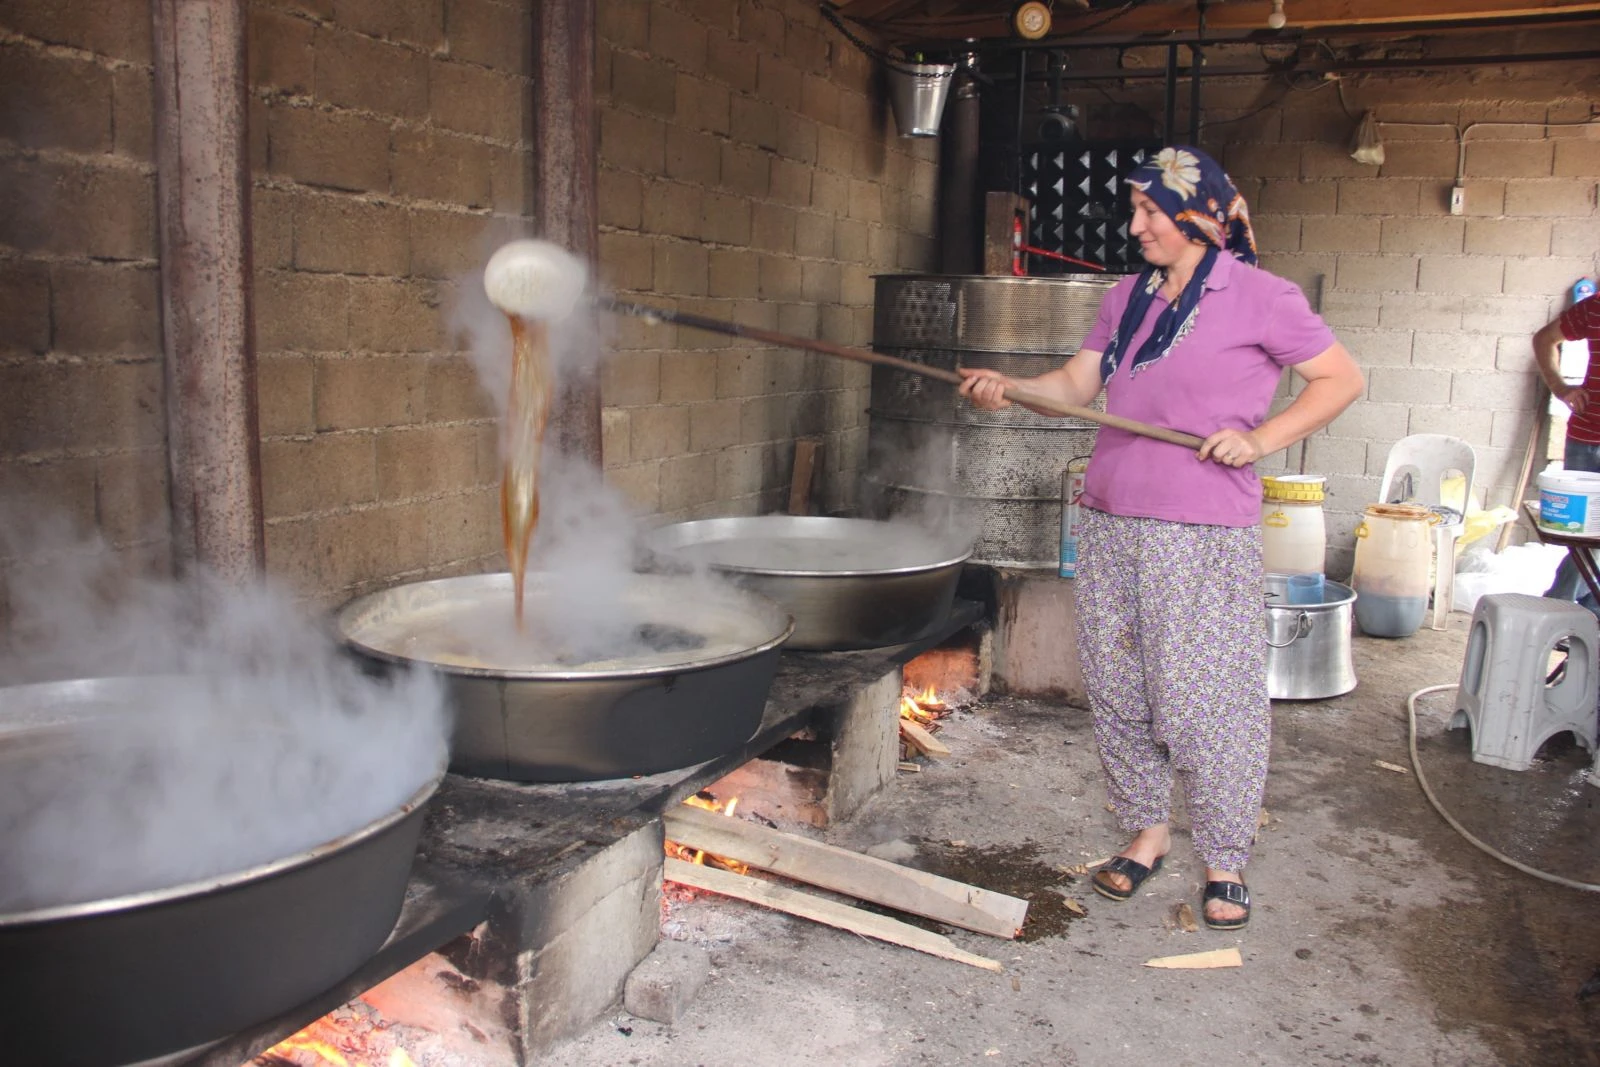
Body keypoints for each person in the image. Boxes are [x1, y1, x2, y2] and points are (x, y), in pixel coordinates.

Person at [958, 146, 1364, 930]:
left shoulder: (1262, 298)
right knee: (1119, 683)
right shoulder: (1128, 297)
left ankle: (1224, 858)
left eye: (1149, 211)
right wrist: (1011, 390)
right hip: (1110, 517)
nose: (1134, 224)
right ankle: (1145, 834)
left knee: (1205, 694)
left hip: (1201, 527)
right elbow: (1078, 388)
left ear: (1198, 217)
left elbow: (1343, 379)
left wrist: (1260, 438)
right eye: (1136, 208)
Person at [1533, 291, 1600, 607]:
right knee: (1582, 539)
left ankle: (1570, 611)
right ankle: (1563, 609)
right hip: (1587, 442)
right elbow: (1544, 339)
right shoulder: (1596, 306)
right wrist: (1560, 388)